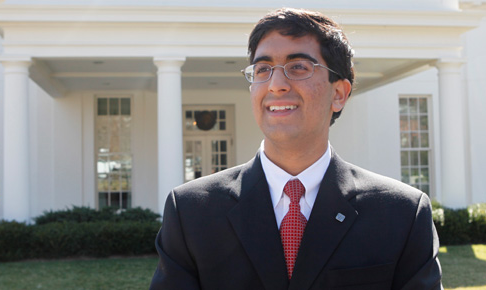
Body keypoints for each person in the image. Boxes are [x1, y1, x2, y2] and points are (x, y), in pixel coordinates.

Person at [150, 7, 442, 290]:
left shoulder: (401, 213)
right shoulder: (190, 211)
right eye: (263, 69)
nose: (275, 85)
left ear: (338, 94)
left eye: (298, 67)